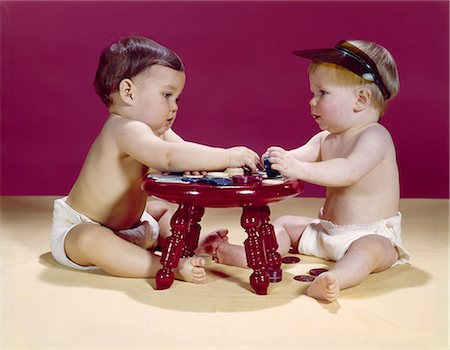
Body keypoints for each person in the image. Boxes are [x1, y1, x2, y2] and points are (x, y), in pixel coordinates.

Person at [196, 40, 410, 301]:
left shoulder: (375, 137)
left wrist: (297, 167)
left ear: (360, 100)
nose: (312, 101)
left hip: (367, 233)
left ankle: (335, 279)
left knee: (371, 251)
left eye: (322, 93)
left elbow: (348, 171)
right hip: (324, 231)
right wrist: (267, 161)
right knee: (284, 224)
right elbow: (292, 159)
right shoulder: (326, 139)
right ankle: (246, 255)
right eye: (313, 93)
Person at [50, 36, 259, 284]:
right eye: (167, 95)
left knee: (159, 210)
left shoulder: (153, 130)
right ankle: (167, 265)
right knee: (90, 239)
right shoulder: (123, 129)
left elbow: (185, 154)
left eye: (177, 98)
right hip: (83, 228)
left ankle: (184, 247)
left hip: (134, 228)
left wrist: (219, 165)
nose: (174, 106)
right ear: (128, 92)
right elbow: (169, 157)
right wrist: (229, 154)